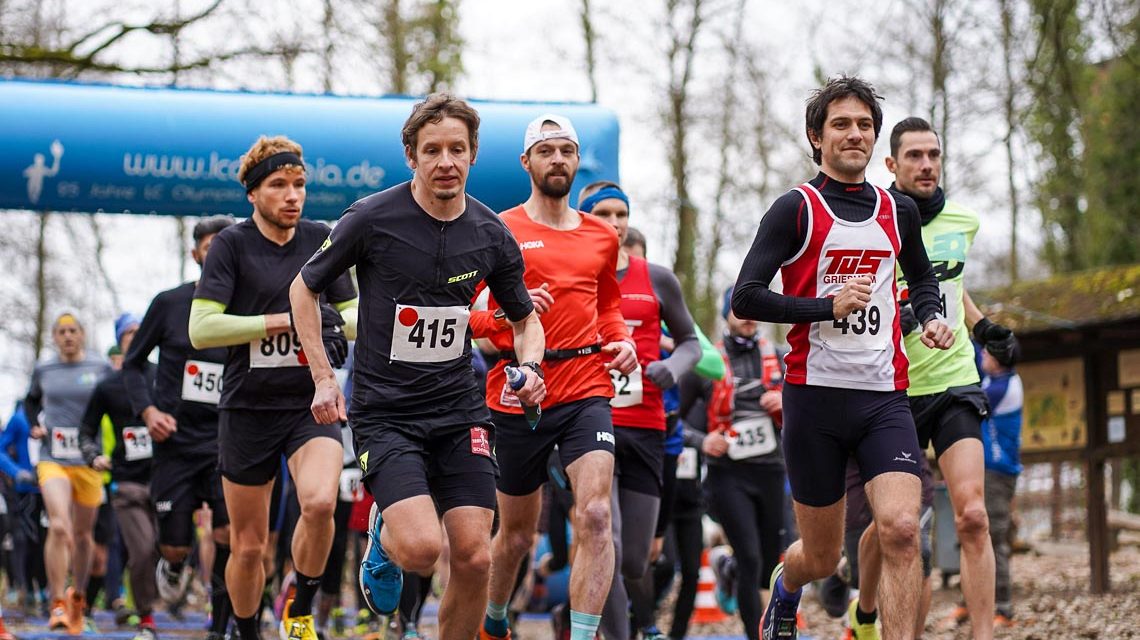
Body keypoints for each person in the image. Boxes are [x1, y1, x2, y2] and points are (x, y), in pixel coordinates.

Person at [292, 93, 546, 640]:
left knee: (476, 557)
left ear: (473, 153)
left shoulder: (491, 234)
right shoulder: (371, 218)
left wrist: (531, 369)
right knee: (423, 550)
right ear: (411, 156)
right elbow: (303, 288)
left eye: (457, 149)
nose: (445, 162)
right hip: (386, 414)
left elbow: (526, 320)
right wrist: (322, 377)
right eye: (432, 150)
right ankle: (385, 535)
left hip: (459, 411)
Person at [731, 76, 953, 640]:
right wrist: (824, 307)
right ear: (817, 136)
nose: (855, 134)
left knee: (902, 529)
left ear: (875, 137)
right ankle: (787, 584)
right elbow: (746, 297)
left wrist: (931, 316)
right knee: (823, 557)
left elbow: (923, 278)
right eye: (841, 124)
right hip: (815, 401)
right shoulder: (795, 209)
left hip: (883, 398)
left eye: (865, 125)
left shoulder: (898, 210)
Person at [851, 117, 1020, 640]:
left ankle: (984, 634)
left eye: (934, 155)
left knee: (974, 516)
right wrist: (896, 314)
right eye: (915, 156)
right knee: (895, 528)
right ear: (891, 163)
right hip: (893, 389)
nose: (927, 165)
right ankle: (864, 611)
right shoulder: (873, 220)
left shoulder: (963, 221)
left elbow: (951, 283)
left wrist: (983, 327)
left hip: (954, 381)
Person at [474, 114, 637, 640]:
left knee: (595, 515)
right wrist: (513, 311)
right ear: (527, 162)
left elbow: (608, 308)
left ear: (577, 159)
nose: (558, 160)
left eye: (567, 151)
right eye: (546, 151)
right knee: (517, 536)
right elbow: (473, 317)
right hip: (519, 390)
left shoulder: (601, 236)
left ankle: (583, 635)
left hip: (587, 386)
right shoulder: (499, 229)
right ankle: (494, 620)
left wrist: (622, 340)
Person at [189, 135, 359, 640]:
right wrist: (287, 320)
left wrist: (327, 321)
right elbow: (202, 328)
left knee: (321, 503)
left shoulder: (320, 238)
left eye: (299, 184)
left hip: (311, 401)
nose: (292, 195)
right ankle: (246, 630)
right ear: (253, 194)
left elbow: (354, 316)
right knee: (248, 546)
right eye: (279, 185)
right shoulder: (231, 245)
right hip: (248, 407)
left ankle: (299, 611)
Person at [578, 180, 703, 640]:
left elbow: (692, 343)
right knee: (602, 539)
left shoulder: (657, 278)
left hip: (648, 426)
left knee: (634, 559)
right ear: (585, 217)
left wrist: (673, 366)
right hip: (590, 422)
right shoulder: (573, 276)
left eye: (621, 214)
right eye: (603, 214)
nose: (614, 223)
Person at [122, 214, 237, 640]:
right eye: (210, 246)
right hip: (175, 442)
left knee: (228, 536)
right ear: (195, 254)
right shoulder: (169, 304)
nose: (219, 252)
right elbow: (133, 364)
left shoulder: (250, 304)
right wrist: (148, 412)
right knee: (174, 544)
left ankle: (220, 626)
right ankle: (173, 565)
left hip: (227, 442)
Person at [679, 289, 787, 640]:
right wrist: (703, 441)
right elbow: (672, 419)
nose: (748, 317)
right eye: (740, 310)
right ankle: (756, 635)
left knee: (768, 564)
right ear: (726, 314)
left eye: (754, 310)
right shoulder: (707, 362)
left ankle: (728, 568)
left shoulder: (780, 357)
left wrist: (785, 402)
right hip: (728, 475)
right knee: (751, 557)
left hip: (771, 471)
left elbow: (810, 407)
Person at [25, 312, 112, 635]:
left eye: (73, 330)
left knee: (84, 535)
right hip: (53, 458)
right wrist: (34, 424)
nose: (68, 336)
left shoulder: (100, 366)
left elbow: (116, 399)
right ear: (54, 337)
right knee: (59, 526)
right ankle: (57, 601)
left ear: (82, 334)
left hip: (88, 461)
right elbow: (31, 401)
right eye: (61, 332)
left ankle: (78, 596)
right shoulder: (44, 369)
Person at [78, 313, 161, 640]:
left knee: (169, 547)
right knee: (141, 550)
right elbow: (86, 430)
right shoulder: (108, 386)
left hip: (167, 478)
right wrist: (92, 456)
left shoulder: (164, 375)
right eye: (128, 333)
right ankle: (146, 617)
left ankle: (164, 585)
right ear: (119, 340)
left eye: (141, 331)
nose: (136, 337)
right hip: (126, 481)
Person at [980, 341, 1023, 627]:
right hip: (987, 469)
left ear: (997, 360)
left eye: (988, 351)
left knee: (994, 539)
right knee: (975, 536)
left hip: (998, 472)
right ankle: (971, 602)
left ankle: (1004, 608)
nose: (982, 354)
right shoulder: (995, 379)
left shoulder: (1002, 387)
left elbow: (969, 401)